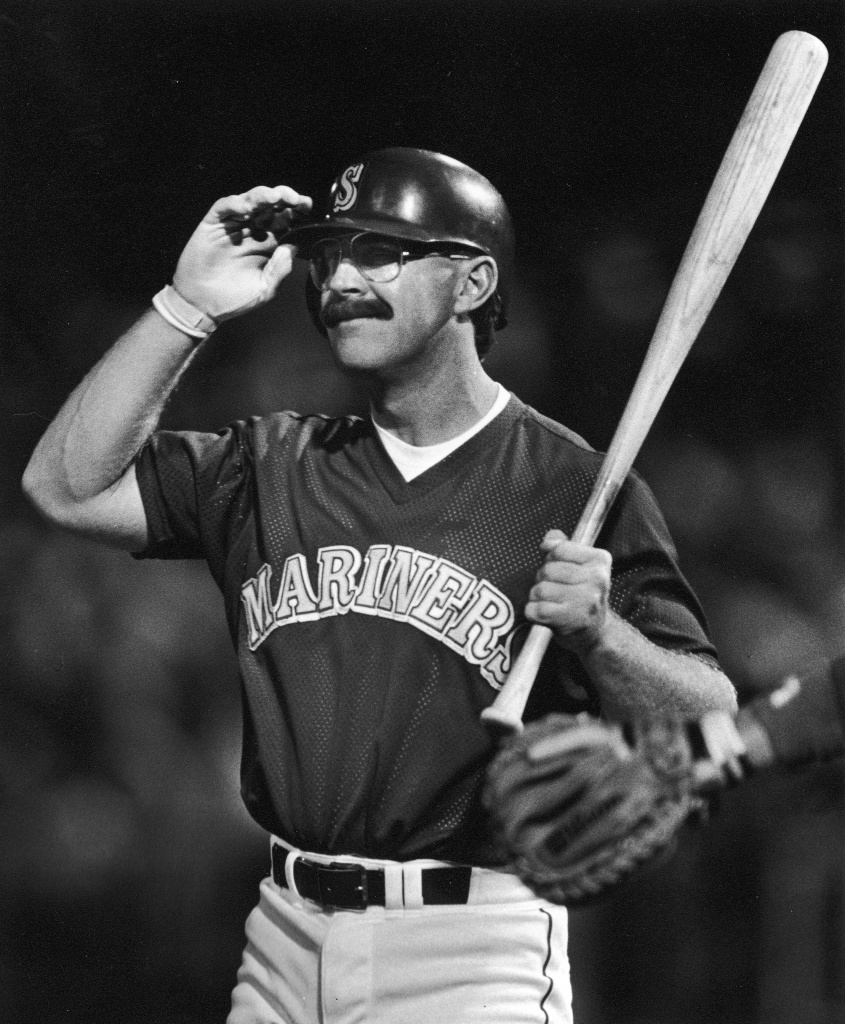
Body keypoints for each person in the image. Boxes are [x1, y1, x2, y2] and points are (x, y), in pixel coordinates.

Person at [22, 147, 737, 1024]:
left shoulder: (576, 488)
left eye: (383, 252)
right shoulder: (272, 463)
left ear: (472, 282)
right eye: (330, 254)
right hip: (282, 930)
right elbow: (65, 486)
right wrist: (188, 306)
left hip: (467, 946)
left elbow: (708, 716)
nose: (340, 279)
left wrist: (602, 634)